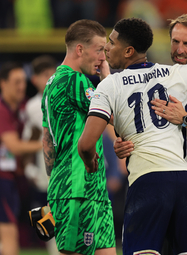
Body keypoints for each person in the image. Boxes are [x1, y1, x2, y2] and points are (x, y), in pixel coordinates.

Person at [78, 17, 187, 255]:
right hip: (184, 182)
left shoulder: (109, 86)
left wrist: (90, 161)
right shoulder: (174, 73)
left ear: (128, 50)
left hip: (148, 180)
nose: (106, 47)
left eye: (111, 43)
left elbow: (86, 144)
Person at [41, 20, 116, 255]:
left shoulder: (51, 82)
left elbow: (47, 140)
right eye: (99, 50)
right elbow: (115, 115)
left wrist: (55, 185)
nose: (103, 57)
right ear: (80, 50)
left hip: (89, 190)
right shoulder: (75, 81)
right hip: (77, 190)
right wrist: (107, 78)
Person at [0, 62, 42, 255]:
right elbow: (14, 146)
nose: (21, 86)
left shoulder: (23, 107)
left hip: (16, 179)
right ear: (3, 83)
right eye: (16, 82)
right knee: (9, 233)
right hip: (3, 179)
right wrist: (45, 145)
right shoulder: (2, 110)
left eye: (23, 82)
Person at [23, 55, 59, 255]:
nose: (50, 78)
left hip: (70, 173)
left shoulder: (63, 97)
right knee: (50, 231)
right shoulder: (32, 106)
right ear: (35, 79)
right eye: (46, 75)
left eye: (52, 73)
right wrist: (30, 169)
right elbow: (31, 139)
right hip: (46, 176)